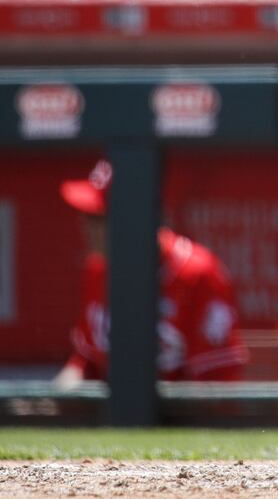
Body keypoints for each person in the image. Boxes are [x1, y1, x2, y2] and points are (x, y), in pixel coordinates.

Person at [57, 159, 248, 386]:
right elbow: (87, 361)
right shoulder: (99, 267)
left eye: (98, 218)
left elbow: (218, 384)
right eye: (86, 216)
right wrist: (53, 398)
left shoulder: (197, 274)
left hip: (177, 417)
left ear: (138, 218)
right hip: (112, 414)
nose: (85, 226)